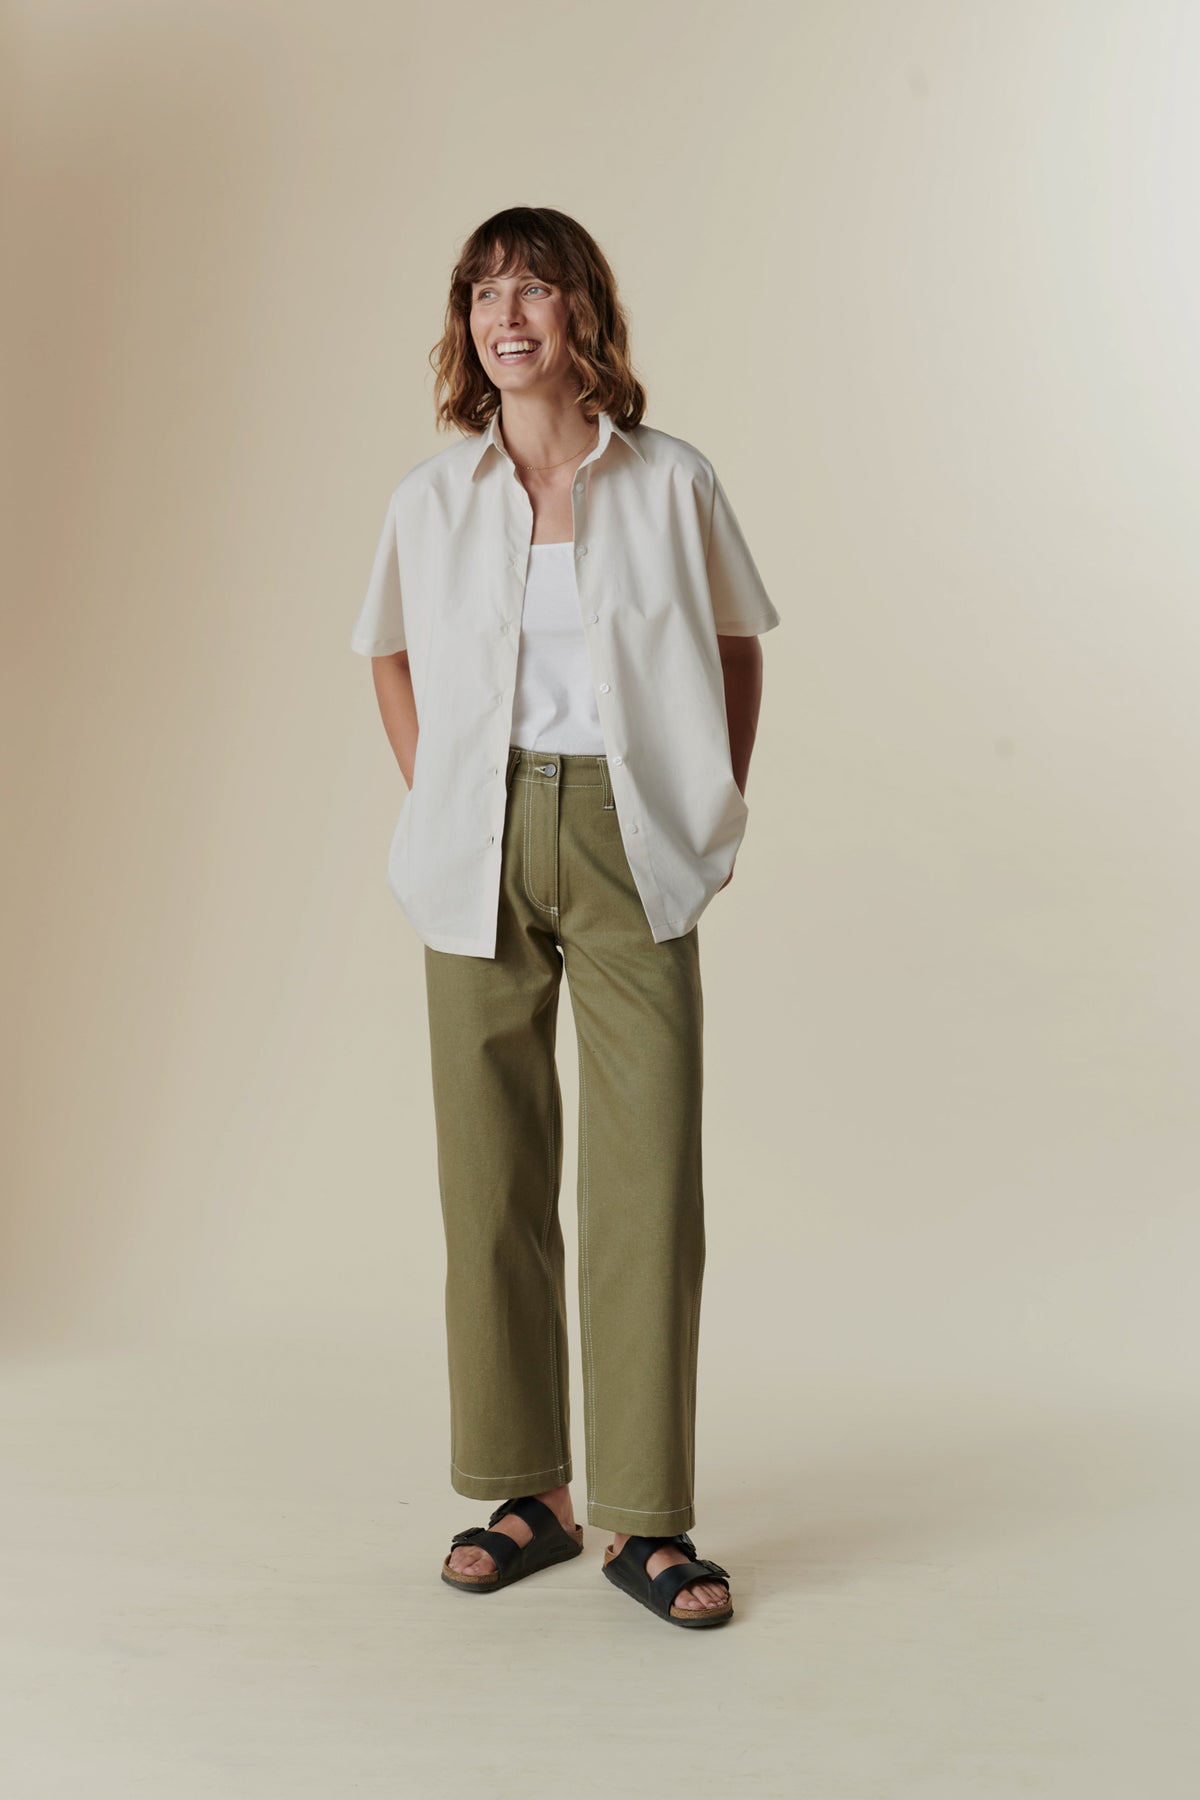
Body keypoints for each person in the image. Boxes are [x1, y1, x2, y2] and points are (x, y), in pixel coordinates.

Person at [351, 206, 779, 1630]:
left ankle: (648, 1520)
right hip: (474, 840)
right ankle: (528, 1490)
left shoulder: (670, 482)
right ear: (466, 323)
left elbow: (732, 648)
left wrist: (705, 812)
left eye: (534, 286)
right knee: (491, 1182)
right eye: (483, 290)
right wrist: (444, 804)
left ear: (584, 310)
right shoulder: (433, 495)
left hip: (625, 833)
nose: (506, 312)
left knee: (646, 1178)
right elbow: (392, 654)